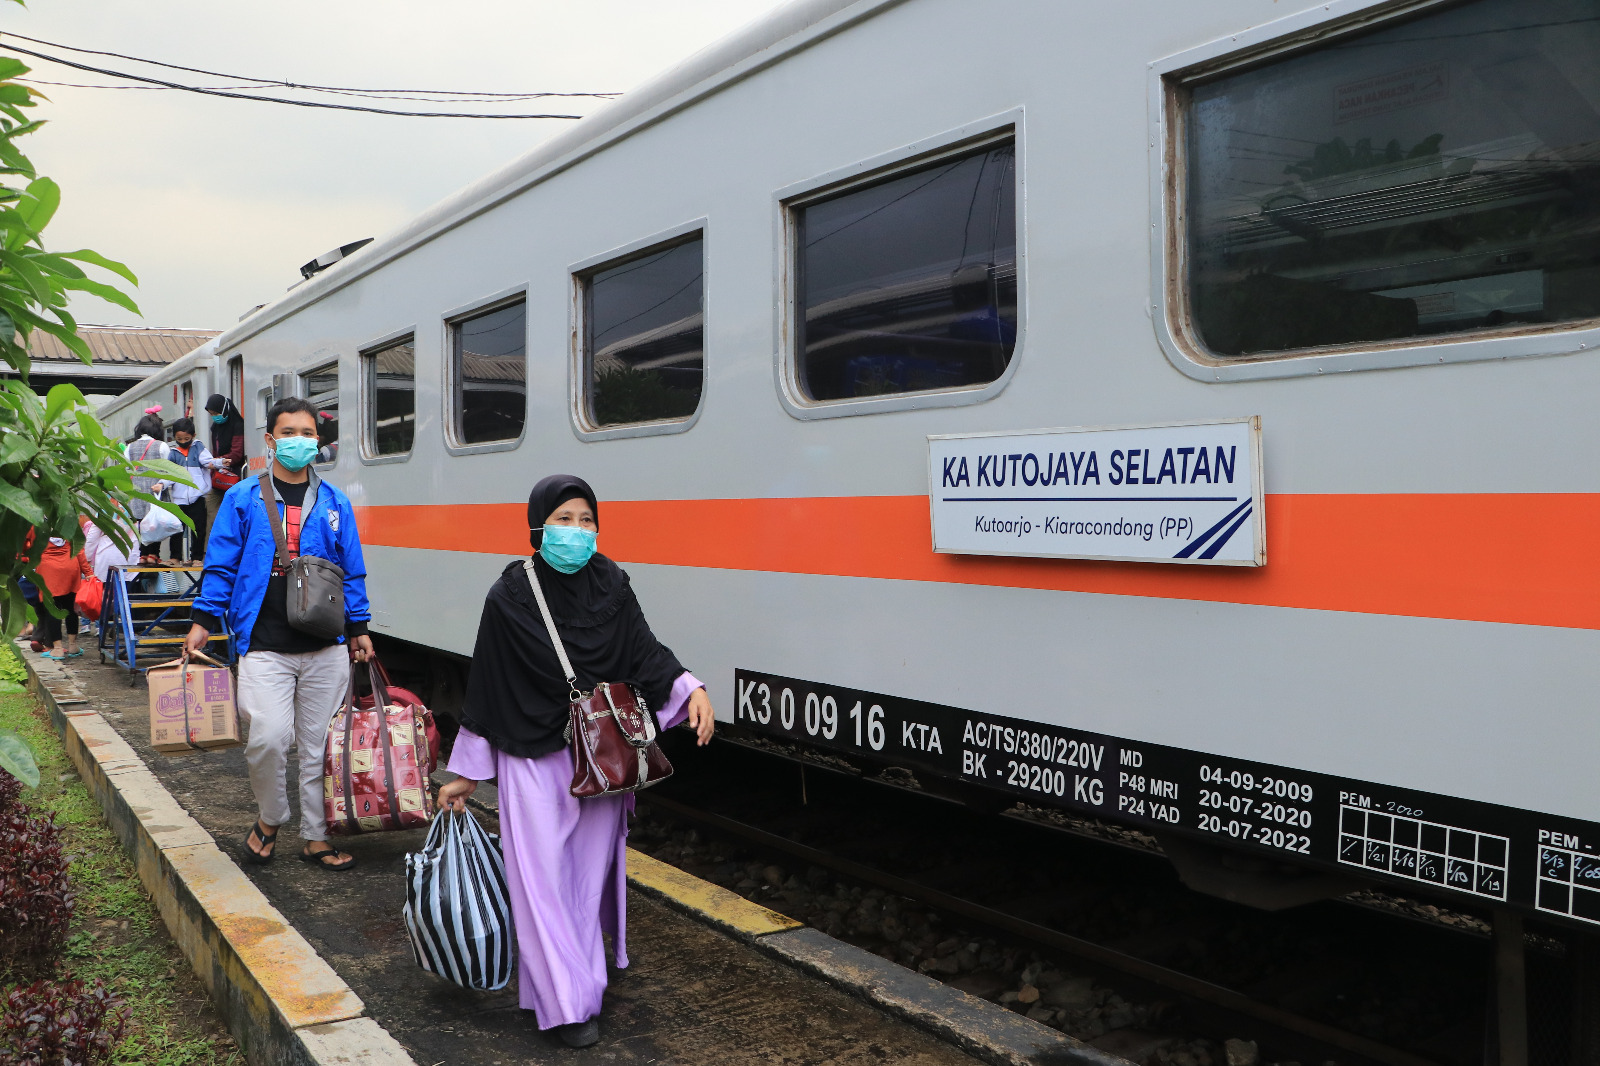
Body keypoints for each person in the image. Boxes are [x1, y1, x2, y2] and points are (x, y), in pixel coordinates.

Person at [436, 475, 716, 1049]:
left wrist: (691, 689)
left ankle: (577, 989)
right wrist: (466, 770)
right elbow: (487, 681)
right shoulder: (511, 594)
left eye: (587, 519)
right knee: (541, 883)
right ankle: (566, 1004)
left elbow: (644, 649)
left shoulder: (613, 583)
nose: (577, 531)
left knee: (586, 884)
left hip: (602, 756)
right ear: (538, 526)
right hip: (530, 759)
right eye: (564, 519)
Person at [185, 397, 374, 872]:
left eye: (308, 434)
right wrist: (204, 620)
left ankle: (316, 836)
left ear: (318, 442)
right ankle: (271, 817)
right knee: (268, 737)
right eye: (289, 433)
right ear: (270, 441)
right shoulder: (243, 497)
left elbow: (351, 572)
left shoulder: (335, 503)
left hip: (324, 646)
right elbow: (221, 563)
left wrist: (359, 628)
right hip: (264, 642)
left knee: (317, 749)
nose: (299, 441)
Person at [166, 417, 226, 562]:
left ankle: (197, 557)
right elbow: (169, 473)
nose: (183, 441)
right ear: (174, 438)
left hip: (198, 496)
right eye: (179, 439)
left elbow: (208, 461)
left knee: (199, 529)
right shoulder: (173, 453)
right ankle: (175, 557)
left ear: (193, 436)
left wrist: (220, 463)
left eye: (186, 438)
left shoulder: (198, 447)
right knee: (177, 529)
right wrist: (162, 484)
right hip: (179, 498)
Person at [124, 407, 172, 564]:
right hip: (155, 491)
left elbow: (126, 469)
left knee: (141, 524)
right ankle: (153, 554)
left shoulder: (130, 447)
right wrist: (162, 485)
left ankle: (142, 555)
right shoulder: (162, 446)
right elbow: (169, 470)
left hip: (137, 493)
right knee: (154, 523)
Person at [32, 532, 88, 659]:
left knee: (53, 609)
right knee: (70, 608)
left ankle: (57, 649)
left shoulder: (40, 527)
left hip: (48, 570)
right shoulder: (69, 526)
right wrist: (88, 572)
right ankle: (73, 646)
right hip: (70, 568)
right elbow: (79, 551)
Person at [203, 395, 246, 529]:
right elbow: (216, 453)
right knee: (211, 515)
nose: (215, 417)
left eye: (216, 413)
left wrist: (218, 462)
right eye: (212, 414)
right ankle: (209, 549)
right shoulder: (215, 428)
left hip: (234, 479)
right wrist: (218, 462)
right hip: (218, 479)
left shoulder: (238, 425)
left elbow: (237, 454)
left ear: (225, 409)